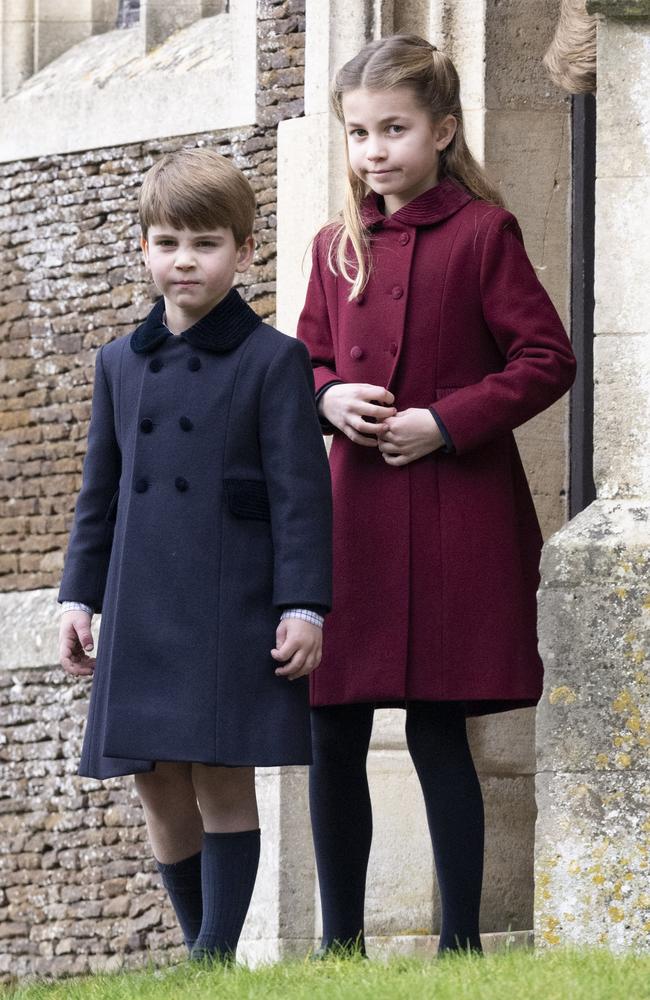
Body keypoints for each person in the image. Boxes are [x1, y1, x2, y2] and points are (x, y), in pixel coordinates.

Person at [297, 34, 576, 956]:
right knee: (332, 729)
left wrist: (446, 421)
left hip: (458, 516)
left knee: (437, 728)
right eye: (360, 133)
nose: (375, 150)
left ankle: (460, 945)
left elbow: (547, 359)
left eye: (395, 129)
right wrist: (330, 395)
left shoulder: (485, 235)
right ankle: (341, 948)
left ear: (443, 130)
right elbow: (303, 365)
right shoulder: (335, 247)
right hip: (353, 524)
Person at [58, 147, 332, 963]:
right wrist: (77, 599)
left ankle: (211, 960)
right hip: (140, 601)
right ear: (144, 247)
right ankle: (198, 949)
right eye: (169, 242)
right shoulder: (117, 363)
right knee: (156, 783)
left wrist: (304, 605)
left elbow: (302, 497)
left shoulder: (274, 360)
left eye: (206, 243)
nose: (185, 260)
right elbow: (97, 494)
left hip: (230, 600)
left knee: (220, 776)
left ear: (244, 252)